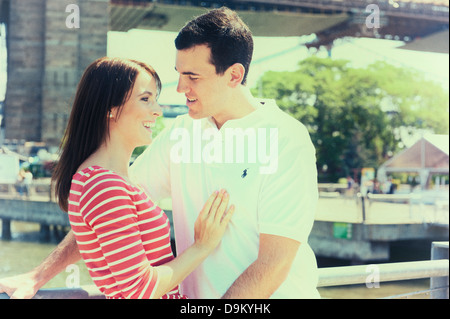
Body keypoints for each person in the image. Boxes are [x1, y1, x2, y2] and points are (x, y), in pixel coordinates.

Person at [0, 7, 319, 299]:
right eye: (179, 73)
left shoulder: (286, 140)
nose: (180, 88)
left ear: (234, 75)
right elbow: (107, 218)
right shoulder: (181, 134)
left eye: (192, 77)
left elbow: (274, 265)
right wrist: (37, 277)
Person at [4, 57, 235, 299]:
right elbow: (139, 291)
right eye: (145, 99)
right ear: (110, 108)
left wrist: (37, 276)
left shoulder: (105, 180)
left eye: (155, 100)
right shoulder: (104, 186)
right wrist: (202, 246)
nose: (157, 111)